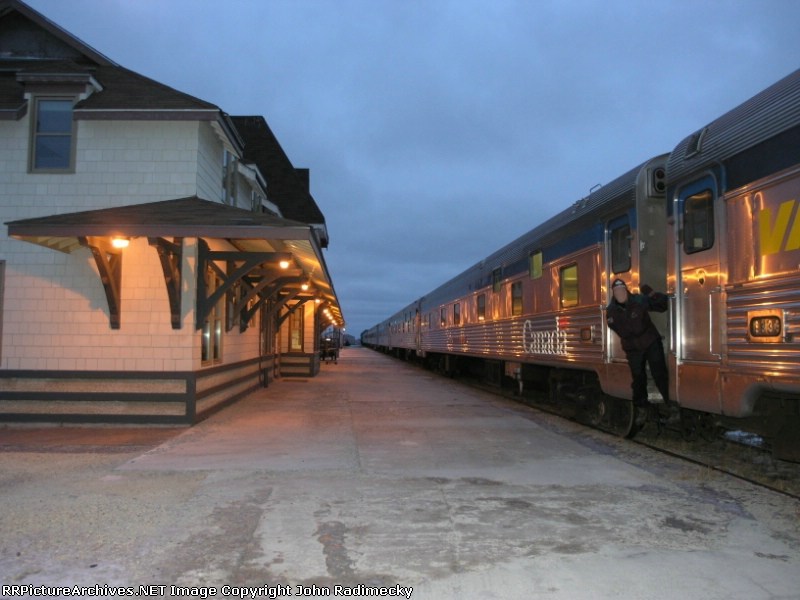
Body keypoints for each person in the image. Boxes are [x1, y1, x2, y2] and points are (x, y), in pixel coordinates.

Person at [605, 278, 678, 427]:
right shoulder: (611, 311)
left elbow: (663, 305)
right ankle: (642, 409)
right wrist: (632, 333)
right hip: (632, 347)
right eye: (617, 291)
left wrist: (652, 294)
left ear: (626, 290)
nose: (620, 293)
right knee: (638, 378)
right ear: (614, 293)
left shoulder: (639, 300)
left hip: (650, 341)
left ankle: (671, 406)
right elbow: (617, 328)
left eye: (622, 290)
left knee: (660, 373)